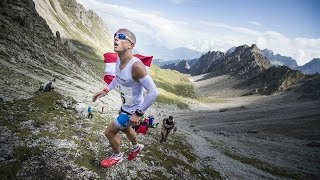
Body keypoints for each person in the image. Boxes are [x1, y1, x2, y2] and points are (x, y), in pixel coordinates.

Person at [92, 28, 158, 167]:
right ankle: (136, 147)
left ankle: (117, 156)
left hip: (132, 111)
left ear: (131, 45)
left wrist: (138, 113)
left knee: (109, 132)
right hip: (125, 106)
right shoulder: (118, 60)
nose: (116, 38)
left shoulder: (137, 66)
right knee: (126, 129)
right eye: (115, 36)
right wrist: (106, 90)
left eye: (121, 37)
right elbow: (118, 77)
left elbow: (153, 92)